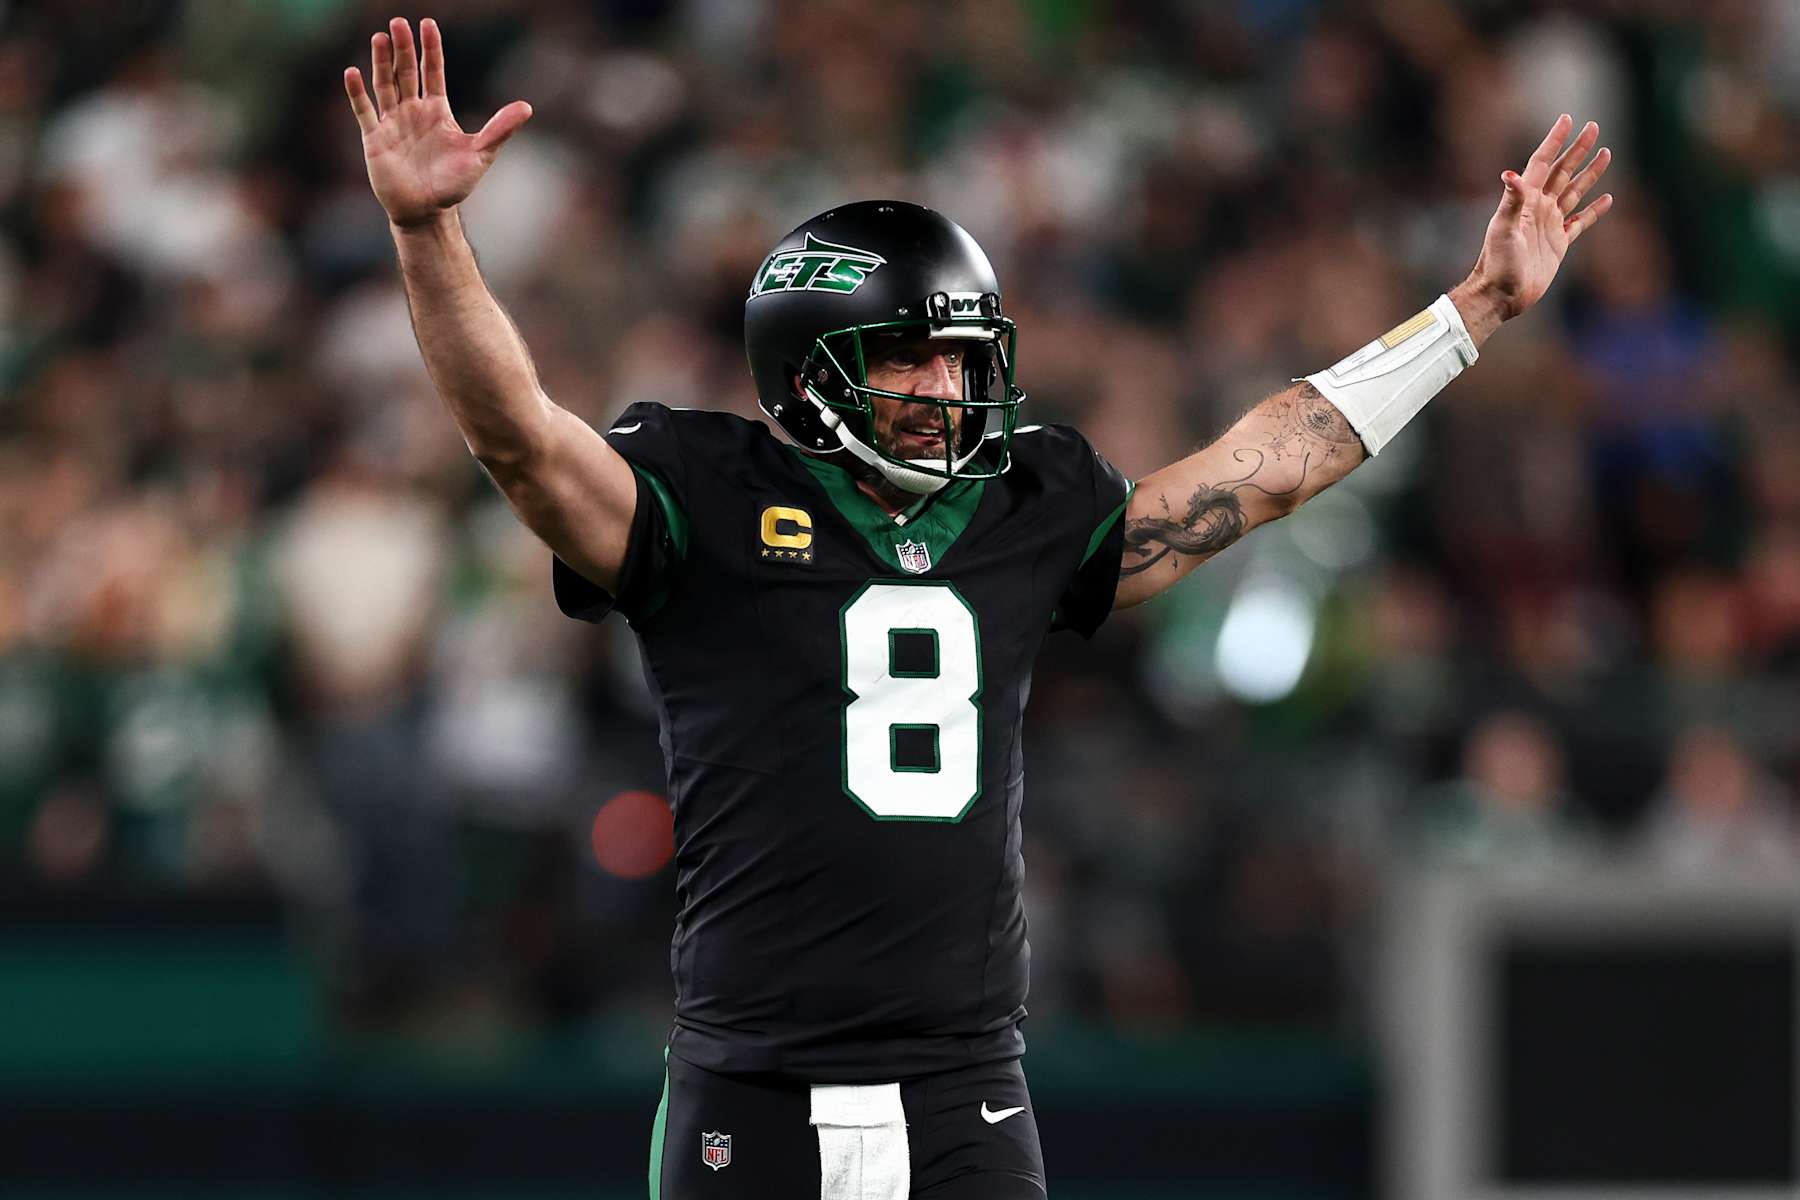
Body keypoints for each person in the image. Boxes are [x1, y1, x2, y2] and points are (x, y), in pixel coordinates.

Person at [343, 17, 1613, 1200]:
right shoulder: (704, 494)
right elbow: (521, 442)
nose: (948, 384)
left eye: (961, 354)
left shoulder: (1029, 504)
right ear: (807, 369)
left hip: (966, 1088)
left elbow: (1266, 468)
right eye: (910, 354)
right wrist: (426, 233)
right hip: (756, 1080)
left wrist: (1476, 310)